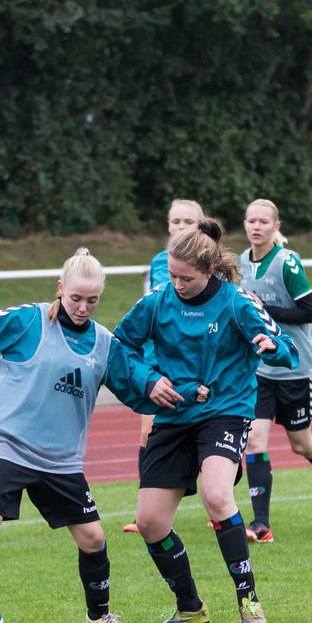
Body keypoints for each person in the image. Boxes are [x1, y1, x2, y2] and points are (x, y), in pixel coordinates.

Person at [0, 247, 204, 623]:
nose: (82, 307)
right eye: (75, 298)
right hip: (5, 445)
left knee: (94, 539)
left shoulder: (103, 343)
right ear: (60, 288)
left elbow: (137, 383)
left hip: (60, 460)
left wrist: (174, 391)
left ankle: (99, 617)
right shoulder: (27, 321)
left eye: (92, 300)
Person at [114, 218, 298, 623]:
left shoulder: (237, 303)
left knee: (217, 494)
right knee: (149, 523)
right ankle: (190, 607)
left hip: (225, 411)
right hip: (175, 415)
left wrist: (272, 348)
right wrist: (148, 381)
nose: (177, 284)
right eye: (172, 275)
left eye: (186, 278)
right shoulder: (157, 300)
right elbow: (121, 345)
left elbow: (283, 347)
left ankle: (248, 599)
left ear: (210, 270)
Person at [238, 198, 312, 543]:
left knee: (301, 444)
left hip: (296, 369)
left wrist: (265, 309)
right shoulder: (242, 263)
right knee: (255, 440)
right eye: (251, 221)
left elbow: (309, 312)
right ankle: (262, 525)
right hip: (261, 370)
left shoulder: (287, 262)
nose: (256, 227)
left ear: (277, 227)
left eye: (263, 221)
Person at [123, 198, 205, 534]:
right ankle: (146, 510)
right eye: (176, 221)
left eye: (188, 221)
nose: (181, 227)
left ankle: (220, 505)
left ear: (200, 227)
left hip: (198, 367)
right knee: (147, 431)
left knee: (206, 432)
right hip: (157, 364)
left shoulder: (210, 266)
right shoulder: (159, 262)